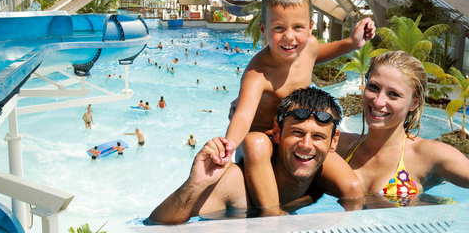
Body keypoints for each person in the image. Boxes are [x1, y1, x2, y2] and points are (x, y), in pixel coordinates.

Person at [223, 0, 373, 210]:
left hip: (293, 139)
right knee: (256, 143)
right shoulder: (258, 73)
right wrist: (229, 145)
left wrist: (353, 42)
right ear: (264, 29)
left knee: (353, 187)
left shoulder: (308, 47)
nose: (289, 37)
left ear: (311, 27)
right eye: (279, 28)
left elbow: (320, 53)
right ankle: (272, 215)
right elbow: (243, 116)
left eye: (298, 27)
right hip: (262, 145)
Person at [147, 87, 344, 224]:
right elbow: (157, 224)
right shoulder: (237, 184)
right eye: (297, 133)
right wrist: (195, 184)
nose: (306, 145)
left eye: (318, 136)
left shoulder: (326, 183)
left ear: (333, 141)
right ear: (276, 132)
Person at [324, 51, 469, 207]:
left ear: (414, 103)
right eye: (373, 87)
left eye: (393, 94)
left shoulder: (429, 155)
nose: (378, 101)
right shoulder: (340, 145)